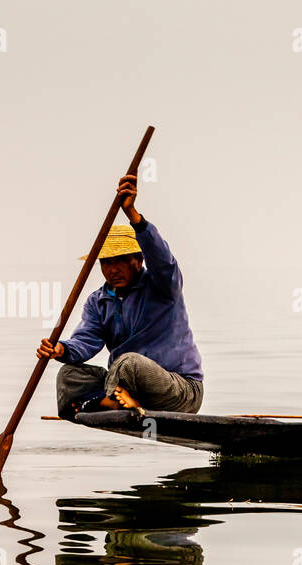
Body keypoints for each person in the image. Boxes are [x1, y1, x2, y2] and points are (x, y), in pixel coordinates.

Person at [38, 175, 203, 417]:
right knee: (69, 375)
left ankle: (104, 402)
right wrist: (60, 349)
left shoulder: (162, 286)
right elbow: (86, 341)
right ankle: (109, 402)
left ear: (139, 260)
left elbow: (163, 261)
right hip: (125, 388)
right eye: (107, 263)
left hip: (178, 390)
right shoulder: (98, 301)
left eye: (121, 261)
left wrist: (133, 216)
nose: (113, 270)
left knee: (128, 362)